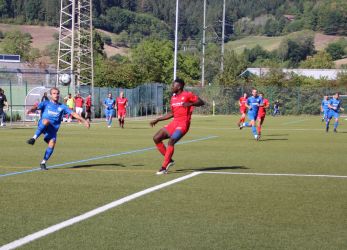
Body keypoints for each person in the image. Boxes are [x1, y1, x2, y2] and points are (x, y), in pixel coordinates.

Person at [150, 78, 205, 175]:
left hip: (183, 124)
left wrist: (190, 103)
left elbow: (201, 102)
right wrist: (158, 119)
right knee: (156, 138)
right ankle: (169, 160)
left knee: (171, 140)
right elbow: (172, 113)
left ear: (179, 86)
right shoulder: (173, 98)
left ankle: (164, 167)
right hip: (174, 123)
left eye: (173, 85)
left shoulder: (187, 95)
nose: (172, 87)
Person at [26, 87, 90, 170]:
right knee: (46, 121)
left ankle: (43, 162)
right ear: (51, 95)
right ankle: (33, 138)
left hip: (53, 129)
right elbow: (36, 107)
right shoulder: (46, 103)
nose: (56, 95)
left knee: (52, 143)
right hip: (43, 124)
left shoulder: (62, 106)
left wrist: (84, 121)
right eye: (54, 93)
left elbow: (74, 114)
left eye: (57, 93)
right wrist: (31, 109)